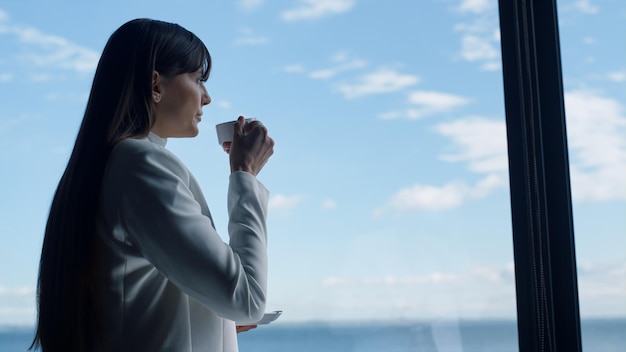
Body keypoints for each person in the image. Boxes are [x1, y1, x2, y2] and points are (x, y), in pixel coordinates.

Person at [30, 18, 274, 352]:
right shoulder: (141, 166)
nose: (207, 97)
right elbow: (247, 300)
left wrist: (214, 314)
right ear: (155, 83)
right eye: (198, 78)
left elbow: (137, 297)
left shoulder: (113, 164)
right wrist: (244, 174)